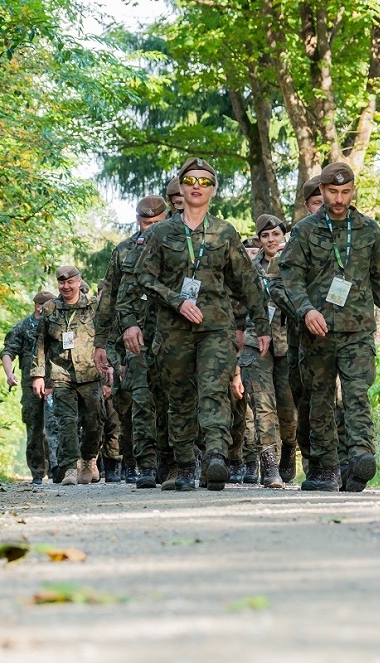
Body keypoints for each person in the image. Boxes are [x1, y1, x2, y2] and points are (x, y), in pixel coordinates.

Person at [130, 157, 271, 491]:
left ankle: (216, 457)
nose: (197, 187)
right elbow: (143, 278)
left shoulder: (224, 232)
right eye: (190, 181)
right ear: (180, 188)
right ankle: (184, 465)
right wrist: (176, 300)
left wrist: (261, 324)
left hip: (216, 326)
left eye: (205, 182)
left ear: (213, 190)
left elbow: (248, 281)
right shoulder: (161, 232)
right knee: (179, 397)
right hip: (172, 328)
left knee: (214, 390)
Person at [278, 162, 380, 492]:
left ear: (353, 191)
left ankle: (360, 456)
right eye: (333, 192)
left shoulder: (367, 229)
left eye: (345, 192)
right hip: (317, 331)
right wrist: (306, 310)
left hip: (357, 329)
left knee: (357, 394)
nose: (339, 199)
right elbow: (290, 277)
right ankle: (326, 469)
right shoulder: (305, 231)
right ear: (322, 191)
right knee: (320, 399)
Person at [95, 195, 168, 488]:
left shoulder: (176, 246)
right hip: (134, 336)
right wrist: (100, 343)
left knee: (171, 399)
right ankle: (146, 465)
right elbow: (109, 298)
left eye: (156, 222)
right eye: (146, 222)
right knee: (141, 398)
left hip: (171, 334)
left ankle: (171, 460)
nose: (151, 228)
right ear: (138, 220)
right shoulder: (124, 251)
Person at [31, 265, 106, 486]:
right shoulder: (50, 309)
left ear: (79, 282)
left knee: (94, 421)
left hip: (90, 372)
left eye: (70, 282)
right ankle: (70, 467)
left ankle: (89, 459)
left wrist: (111, 365)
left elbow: (107, 337)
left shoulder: (94, 306)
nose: (66, 286)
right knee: (66, 421)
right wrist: (38, 375)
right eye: (62, 283)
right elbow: (40, 343)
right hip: (61, 373)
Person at [239, 214, 296, 488]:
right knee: (262, 405)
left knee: (288, 408)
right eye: (265, 236)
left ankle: (289, 447)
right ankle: (269, 464)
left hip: (288, 342)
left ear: (283, 235)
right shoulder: (250, 268)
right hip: (255, 342)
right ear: (259, 239)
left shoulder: (294, 261)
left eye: (275, 234)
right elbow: (238, 302)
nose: (271, 240)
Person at [1, 290, 56, 484]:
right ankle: (37, 471)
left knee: (56, 425)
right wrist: (9, 374)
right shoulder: (24, 327)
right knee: (34, 427)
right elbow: (8, 352)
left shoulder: (58, 326)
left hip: (56, 381)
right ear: (39, 306)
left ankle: (58, 468)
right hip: (30, 384)